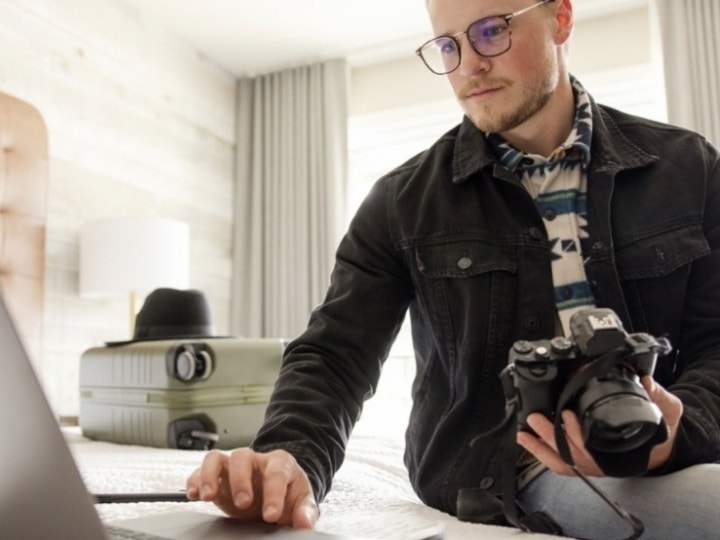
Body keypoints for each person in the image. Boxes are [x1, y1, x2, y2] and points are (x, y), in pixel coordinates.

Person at [186, 0, 720, 537]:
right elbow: (334, 353)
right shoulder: (402, 201)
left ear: (560, 18)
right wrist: (291, 455)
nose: (468, 66)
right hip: (502, 469)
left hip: (671, 450)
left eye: (492, 32)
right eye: (448, 45)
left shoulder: (689, 168)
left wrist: (679, 433)